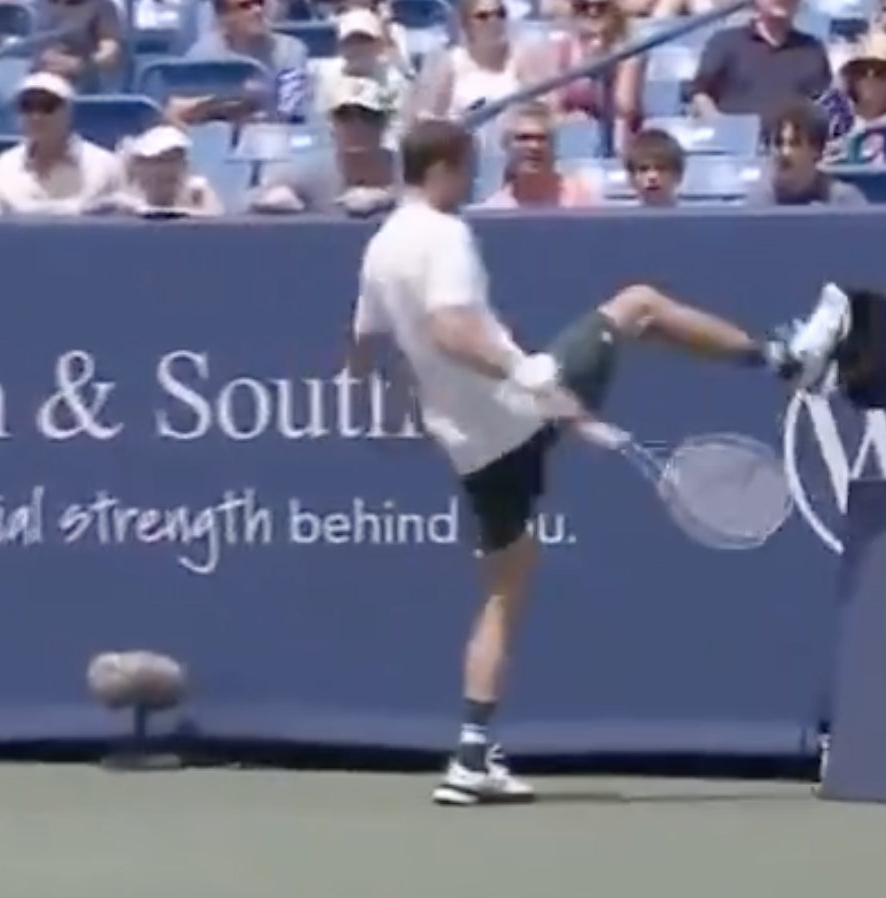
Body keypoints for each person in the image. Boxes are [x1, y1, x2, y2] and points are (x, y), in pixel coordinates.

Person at [342, 119, 848, 806]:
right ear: (444, 168)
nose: (475, 179)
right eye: (469, 168)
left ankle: (469, 754)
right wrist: (534, 381)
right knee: (639, 304)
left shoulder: (380, 249)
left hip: (471, 446)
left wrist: (394, 410)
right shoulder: (444, 234)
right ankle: (786, 358)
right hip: (518, 406)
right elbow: (449, 328)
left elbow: (366, 350)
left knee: (505, 587)